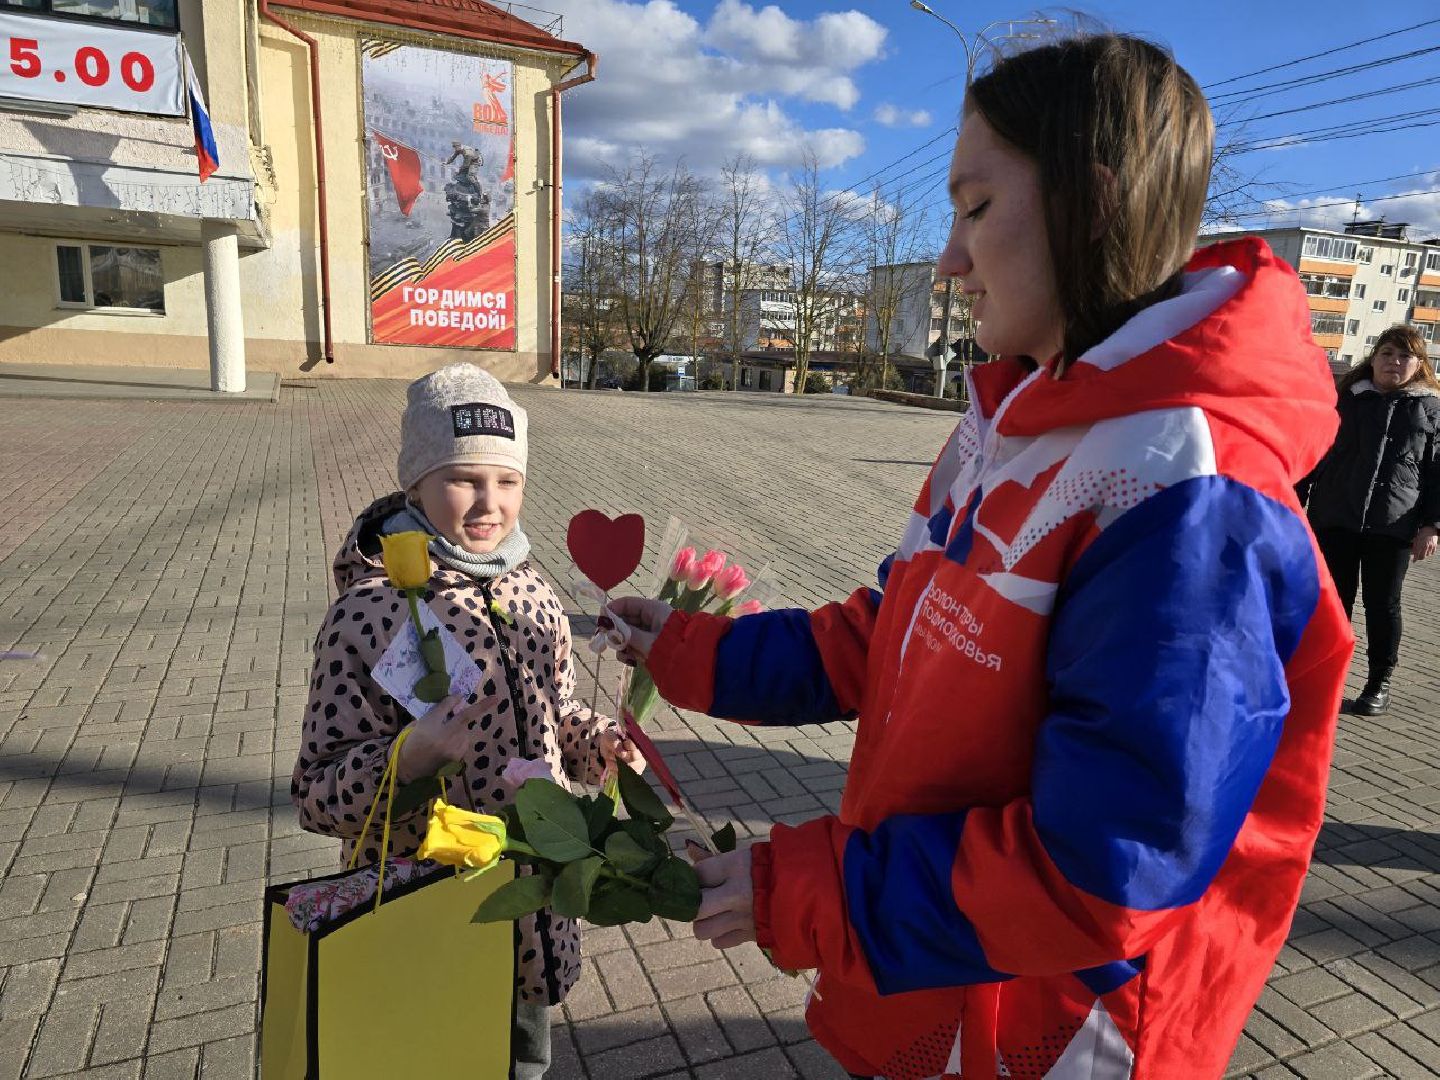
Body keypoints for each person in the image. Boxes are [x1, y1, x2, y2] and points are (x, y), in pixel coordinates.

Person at [609, 32, 1353, 1080]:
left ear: (1091, 207)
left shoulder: (1190, 494)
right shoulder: (1017, 418)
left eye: (976, 207)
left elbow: (1112, 864)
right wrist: (691, 652)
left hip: (1055, 1028)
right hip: (941, 974)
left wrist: (815, 891)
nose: (949, 261)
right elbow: (895, 633)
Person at [293, 363, 641, 1078]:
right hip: (430, 909)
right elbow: (316, 792)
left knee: (525, 1053)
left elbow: (557, 711)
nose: (490, 503)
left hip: (533, 905)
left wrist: (596, 742)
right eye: (462, 479)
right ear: (415, 486)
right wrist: (406, 761)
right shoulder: (368, 614)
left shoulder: (533, 589)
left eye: (508, 481)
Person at [1298, 325, 1440, 716]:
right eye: (1387, 353)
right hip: (1335, 518)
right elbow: (1315, 452)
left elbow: (1437, 471)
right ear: (1373, 358)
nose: (1394, 362)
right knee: (1332, 605)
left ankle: (1378, 683)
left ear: (1419, 364)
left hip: (1393, 525)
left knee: (1383, 606)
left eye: (1405, 356)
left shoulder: (1430, 409)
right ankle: (1324, 680)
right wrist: (1293, 502)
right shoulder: (1345, 400)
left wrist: (1432, 525)